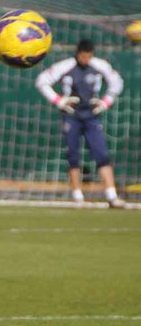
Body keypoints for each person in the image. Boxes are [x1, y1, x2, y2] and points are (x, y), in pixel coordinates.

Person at [35, 39, 126, 209]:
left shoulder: (100, 66)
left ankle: (111, 195)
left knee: (102, 154)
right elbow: (41, 81)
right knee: (73, 156)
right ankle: (78, 196)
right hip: (71, 115)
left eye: (88, 56)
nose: (85, 60)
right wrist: (59, 101)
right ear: (78, 54)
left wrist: (106, 102)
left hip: (92, 116)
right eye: (83, 56)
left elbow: (117, 83)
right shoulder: (65, 66)